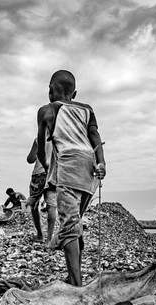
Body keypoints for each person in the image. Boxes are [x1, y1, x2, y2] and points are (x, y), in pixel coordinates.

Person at [35, 70, 106, 286]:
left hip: (68, 162)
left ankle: (76, 284)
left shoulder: (46, 110)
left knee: (69, 228)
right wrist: (102, 162)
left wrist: (47, 166)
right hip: (89, 166)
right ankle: (73, 274)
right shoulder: (87, 109)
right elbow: (95, 136)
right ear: (74, 93)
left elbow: (40, 148)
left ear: (49, 90)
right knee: (75, 224)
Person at [26, 138, 57, 244]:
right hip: (54, 174)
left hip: (39, 174)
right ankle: (49, 239)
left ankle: (40, 235)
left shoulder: (39, 139)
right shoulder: (60, 137)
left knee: (33, 204)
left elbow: (30, 159)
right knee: (52, 205)